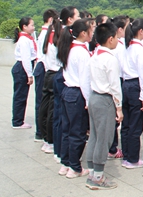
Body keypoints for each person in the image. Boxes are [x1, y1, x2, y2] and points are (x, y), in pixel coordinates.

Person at [85, 22, 123, 190]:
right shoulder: (110, 59)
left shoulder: (94, 56)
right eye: (115, 37)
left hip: (94, 97)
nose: (117, 40)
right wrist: (119, 108)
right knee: (104, 138)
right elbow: (115, 86)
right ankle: (98, 177)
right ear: (110, 39)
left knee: (94, 136)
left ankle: (92, 172)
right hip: (105, 100)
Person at [57, 18, 95, 178]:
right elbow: (85, 80)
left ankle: (65, 163)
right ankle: (75, 167)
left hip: (68, 91)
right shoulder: (81, 52)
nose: (93, 33)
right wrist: (88, 100)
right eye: (91, 30)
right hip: (77, 93)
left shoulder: (70, 47)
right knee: (77, 132)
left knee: (67, 129)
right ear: (83, 33)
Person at [121, 18, 143, 169]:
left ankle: (126, 154)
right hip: (136, 86)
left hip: (126, 84)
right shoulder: (140, 49)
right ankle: (132, 158)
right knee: (135, 124)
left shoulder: (128, 46)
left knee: (126, 123)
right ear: (141, 31)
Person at [53, 6, 80, 163]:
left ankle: (61, 154)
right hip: (65, 80)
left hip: (62, 76)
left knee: (63, 121)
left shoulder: (64, 33)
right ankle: (66, 158)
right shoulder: (69, 35)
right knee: (68, 123)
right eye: (77, 15)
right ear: (70, 19)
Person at [39, 18, 64, 154]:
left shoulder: (49, 35)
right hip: (55, 73)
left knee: (45, 107)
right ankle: (50, 140)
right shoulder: (57, 39)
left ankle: (46, 139)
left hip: (49, 73)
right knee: (52, 110)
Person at [106, 15, 130, 160]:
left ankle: (111, 146)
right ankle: (112, 148)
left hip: (109, 83)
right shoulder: (119, 46)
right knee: (115, 116)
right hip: (117, 82)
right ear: (120, 29)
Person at [34, 9, 59, 141]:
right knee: (45, 104)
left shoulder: (47, 33)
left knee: (44, 102)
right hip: (46, 68)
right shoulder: (47, 34)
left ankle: (42, 133)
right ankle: (42, 133)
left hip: (47, 68)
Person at [11, 17, 37, 129]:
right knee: (20, 95)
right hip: (22, 67)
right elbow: (26, 59)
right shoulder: (24, 40)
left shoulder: (28, 38)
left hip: (23, 67)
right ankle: (17, 121)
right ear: (24, 26)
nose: (33, 27)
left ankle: (18, 119)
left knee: (21, 94)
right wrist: (29, 75)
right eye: (31, 25)